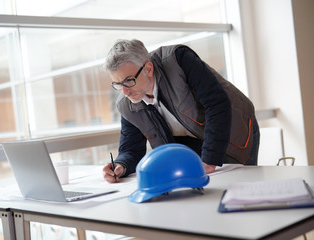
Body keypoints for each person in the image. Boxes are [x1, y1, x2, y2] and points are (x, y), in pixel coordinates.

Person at [102, 39, 260, 183]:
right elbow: (131, 148)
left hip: (232, 130)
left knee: (241, 189)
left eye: (129, 81)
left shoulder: (178, 60)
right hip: (191, 147)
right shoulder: (128, 103)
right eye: (117, 84)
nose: (125, 92)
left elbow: (217, 104)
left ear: (148, 69)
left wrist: (210, 158)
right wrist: (121, 165)